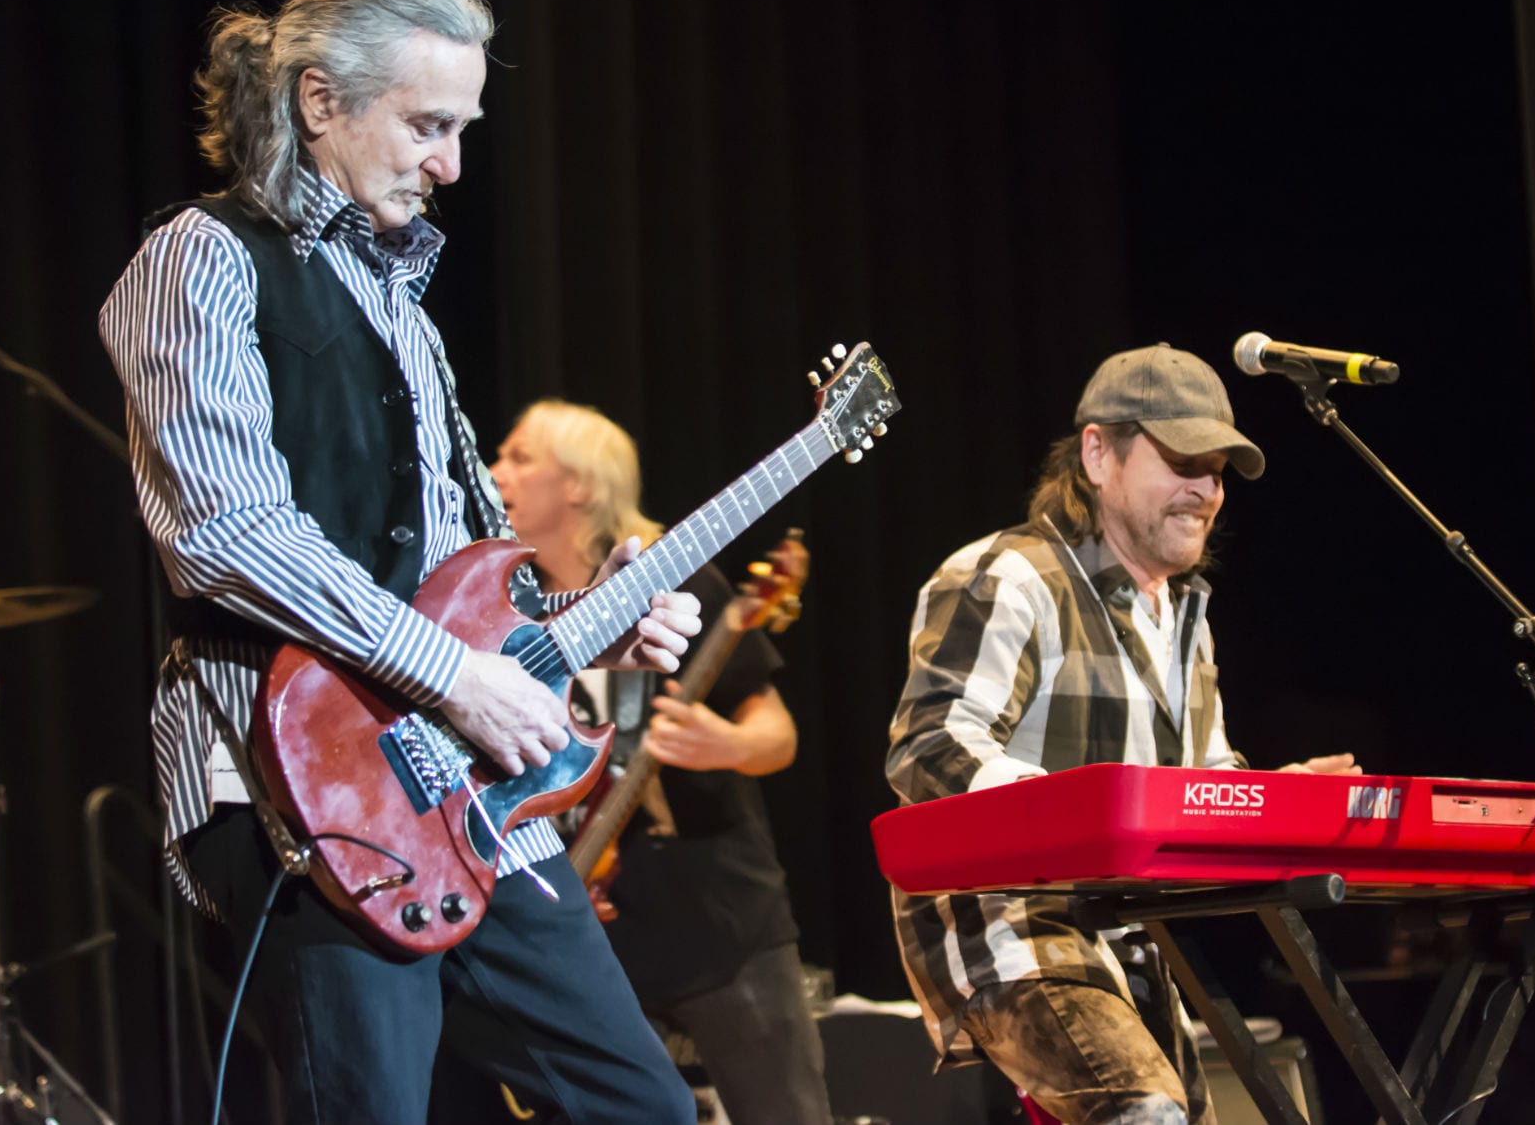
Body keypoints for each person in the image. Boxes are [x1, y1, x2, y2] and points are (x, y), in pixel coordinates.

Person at [97, 0, 704, 1125]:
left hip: (459, 781)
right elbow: (229, 532)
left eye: (464, 127)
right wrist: (457, 678)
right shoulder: (200, 257)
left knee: (645, 1108)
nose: (450, 164)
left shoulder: (399, 303)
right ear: (320, 102)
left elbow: (462, 570)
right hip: (297, 774)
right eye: (427, 123)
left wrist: (583, 624)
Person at [884, 344, 1362, 1125]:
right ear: (1098, 454)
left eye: (1217, 471)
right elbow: (931, 748)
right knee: (1148, 1115)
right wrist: (1084, 817)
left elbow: (1198, 785)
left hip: (1137, 938)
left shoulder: (1185, 617)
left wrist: (1276, 803)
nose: (1205, 491)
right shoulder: (1011, 576)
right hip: (1020, 931)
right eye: (1182, 462)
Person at [481, 398, 833, 1125]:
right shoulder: (506, 609)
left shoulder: (670, 582)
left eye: (519, 456)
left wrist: (727, 742)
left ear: (579, 483)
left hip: (717, 914)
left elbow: (777, 729)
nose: (494, 470)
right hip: (585, 918)